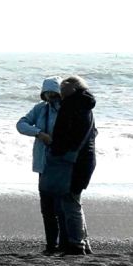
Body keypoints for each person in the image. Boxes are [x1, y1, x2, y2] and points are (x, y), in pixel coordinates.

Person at [47, 75, 98, 255]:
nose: (61, 90)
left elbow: (72, 135)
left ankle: (77, 244)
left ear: (74, 87)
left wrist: (60, 151)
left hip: (76, 161)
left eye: (64, 86)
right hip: (84, 160)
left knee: (71, 201)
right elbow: (91, 133)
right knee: (73, 201)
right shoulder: (83, 105)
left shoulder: (74, 105)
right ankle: (82, 242)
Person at [15, 77, 64, 253]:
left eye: (54, 93)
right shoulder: (40, 109)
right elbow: (21, 124)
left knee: (62, 206)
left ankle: (65, 242)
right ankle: (52, 244)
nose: (51, 97)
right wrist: (39, 133)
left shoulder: (67, 110)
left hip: (61, 164)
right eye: (48, 94)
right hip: (43, 164)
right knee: (47, 207)